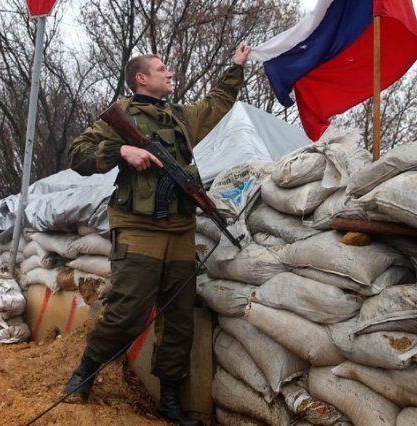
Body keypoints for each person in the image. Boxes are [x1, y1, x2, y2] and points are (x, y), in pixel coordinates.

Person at [66, 45, 251, 425]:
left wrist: (235, 66)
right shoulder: (122, 116)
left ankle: (169, 402)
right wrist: (122, 151)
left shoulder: (181, 117)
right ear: (141, 78)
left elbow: (218, 103)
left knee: (179, 320)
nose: (170, 74)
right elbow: (78, 155)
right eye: (162, 69)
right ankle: (84, 374)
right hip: (138, 227)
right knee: (127, 310)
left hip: (180, 230)